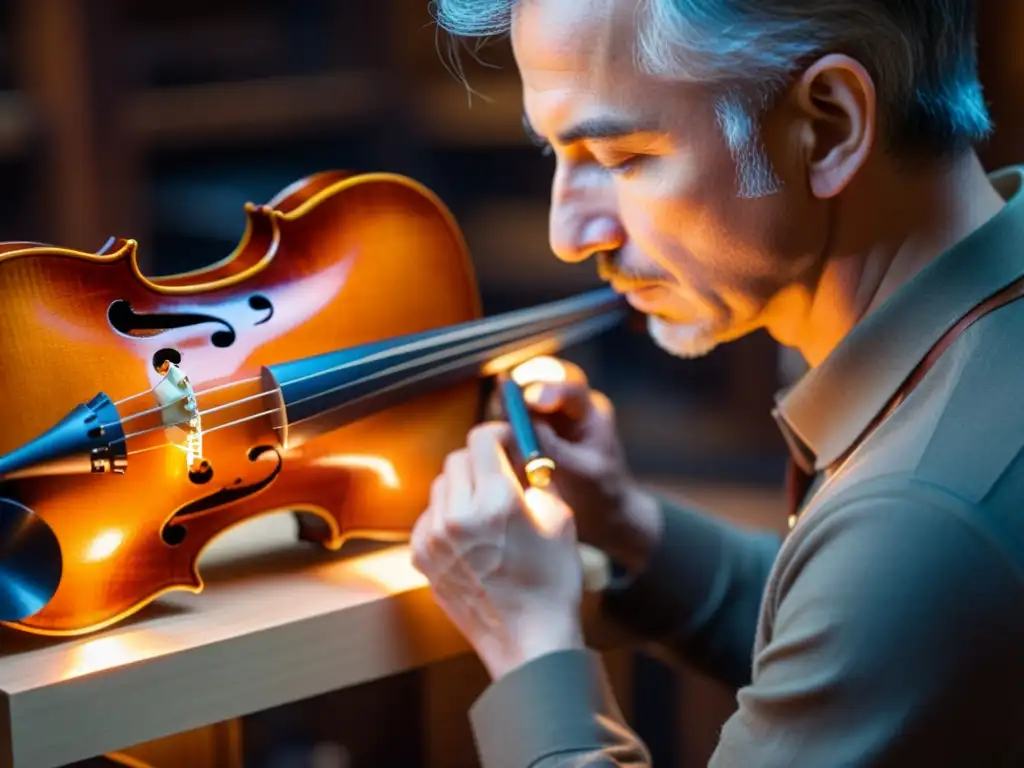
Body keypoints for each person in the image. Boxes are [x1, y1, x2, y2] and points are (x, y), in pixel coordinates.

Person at [409, 0, 1024, 765]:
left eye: (621, 157)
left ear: (826, 127)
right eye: (555, 158)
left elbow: (898, 577)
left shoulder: (925, 520)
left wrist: (532, 644)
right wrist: (628, 523)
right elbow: (860, 639)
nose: (568, 238)